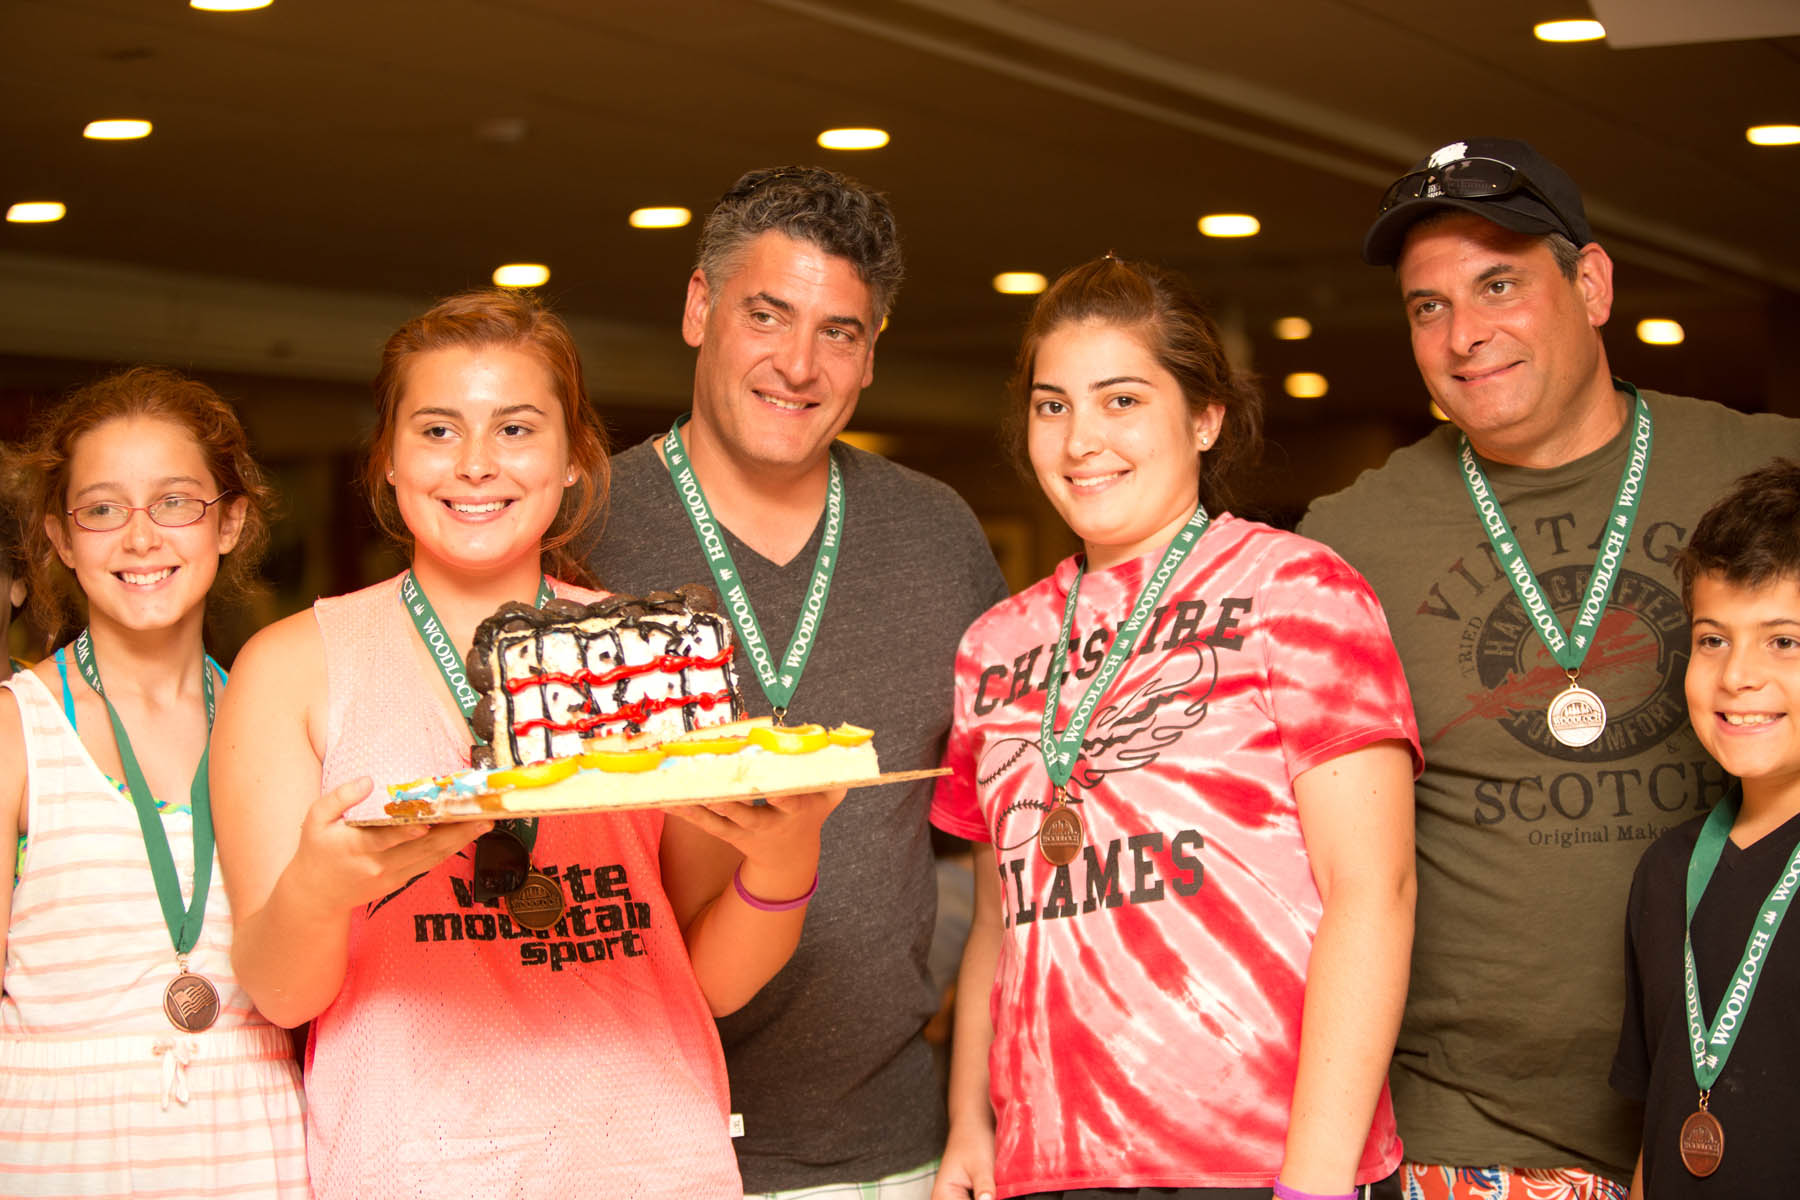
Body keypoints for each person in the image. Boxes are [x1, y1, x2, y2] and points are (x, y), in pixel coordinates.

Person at [210, 288, 842, 1199]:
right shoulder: (294, 666)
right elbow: (283, 996)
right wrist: (319, 885)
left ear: (575, 457)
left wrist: (788, 855)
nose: (475, 464)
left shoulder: (656, 654)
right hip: (412, 1167)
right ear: (386, 459)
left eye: (515, 429)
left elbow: (711, 978)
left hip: (657, 1162)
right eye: (435, 431)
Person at [1297, 137, 1800, 1200]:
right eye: (1427, 306)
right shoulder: (1348, 538)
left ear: (1592, 283)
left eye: (1498, 285)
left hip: (1751, 1108)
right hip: (1465, 1133)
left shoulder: (1766, 472)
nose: (1465, 334)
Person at [932, 255, 1421, 1200]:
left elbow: (1377, 891)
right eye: (1052, 405)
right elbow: (1004, 917)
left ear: (1205, 417)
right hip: (1052, 1161)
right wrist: (971, 1119)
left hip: (1258, 1161)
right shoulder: (995, 644)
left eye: (1121, 401)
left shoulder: (1298, 591)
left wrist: (1316, 1180)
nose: (1082, 440)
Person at [588, 165, 1010, 1197]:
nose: (799, 364)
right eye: (767, 315)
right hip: (629, 1145)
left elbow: (1008, 846)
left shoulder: (938, 536)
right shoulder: (577, 529)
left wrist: (982, 1104)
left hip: (893, 1150)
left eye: (840, 332)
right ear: (698, 308)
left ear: (870, 357)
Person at [0, 367, 306, 1196]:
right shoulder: (15, 730)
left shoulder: (275, 721)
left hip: (255, 1140)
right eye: (102, 510)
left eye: (175, 502)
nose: (141, 538)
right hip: (58, 1149)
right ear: (63, 540)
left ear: (231, 523)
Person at [1611, 459, 1800, 1198]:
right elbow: (1661, 1123)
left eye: (1784, 641)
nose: (1737, 677)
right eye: (1713, 639)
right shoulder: (1669, 870)